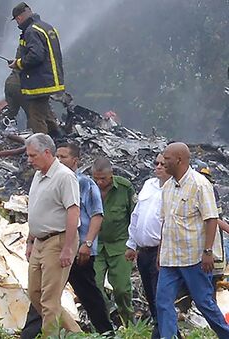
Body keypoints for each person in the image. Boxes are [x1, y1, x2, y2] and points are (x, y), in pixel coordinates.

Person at [157, 143, 229, 338]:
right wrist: (160, 252)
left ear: (179, 159)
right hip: (169, 258)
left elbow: (211, 219)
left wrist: (208, 252)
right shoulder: (167, 187)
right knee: (163, 302)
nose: (163, 162)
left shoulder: (200, 184)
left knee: (204, 303)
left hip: (194, 258)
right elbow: (166, 222)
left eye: (167, 159)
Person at [25, 133, 82, 336]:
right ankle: (76, 334)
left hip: (57, 240)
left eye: (33, 155)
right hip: (39, 242)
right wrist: (30, 241)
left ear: (47, 152)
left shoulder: (64, 177)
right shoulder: (39, 175)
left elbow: (73, 211)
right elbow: (35, 209)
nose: (29, 160)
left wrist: (67, 248)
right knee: (34, 293)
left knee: (49, 299)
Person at [56, 143, 115, 335]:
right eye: (57, 156)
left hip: (80, 250)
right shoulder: (52, 182)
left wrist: (87, 244)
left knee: (89, 295)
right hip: (56, 248)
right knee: (46, 292)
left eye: (63, 157)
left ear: (75, 161)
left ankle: (106, 333)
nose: (59, 160)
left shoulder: (84, 183)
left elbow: (97, 215)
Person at [124, 154, 171, 339]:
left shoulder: (174, 189)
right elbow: (137, 215)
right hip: (144, 252)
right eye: (156, 163)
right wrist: (131, 244)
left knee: (161, 299)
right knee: (152, 298)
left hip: (161, 253)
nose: (158, 166)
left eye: (162, 164)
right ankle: (169, 333)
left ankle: (160, 334)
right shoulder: (149, 185)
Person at [8, 2, 63, 137]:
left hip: (40, 82)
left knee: (36, 117)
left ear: (19, 17)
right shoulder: (47, 27)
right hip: (51, 79)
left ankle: (42, 148)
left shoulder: (31, 30)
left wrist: (18, 63)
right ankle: (58, 139)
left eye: (17, 20)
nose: (17, 23)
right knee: (46, 112)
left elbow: (36, 55)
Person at [91, 157, 135, 326]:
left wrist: (134, 244)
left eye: (103, 178)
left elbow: (134, 217)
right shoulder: (88, 187)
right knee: (94, 287)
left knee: (122, 289)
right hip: (95, 246)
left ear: (112, 175)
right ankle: (103, 326)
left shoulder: (124, 188)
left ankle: (129, 324)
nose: (99, 182)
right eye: (96, 178)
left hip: (119, 245)